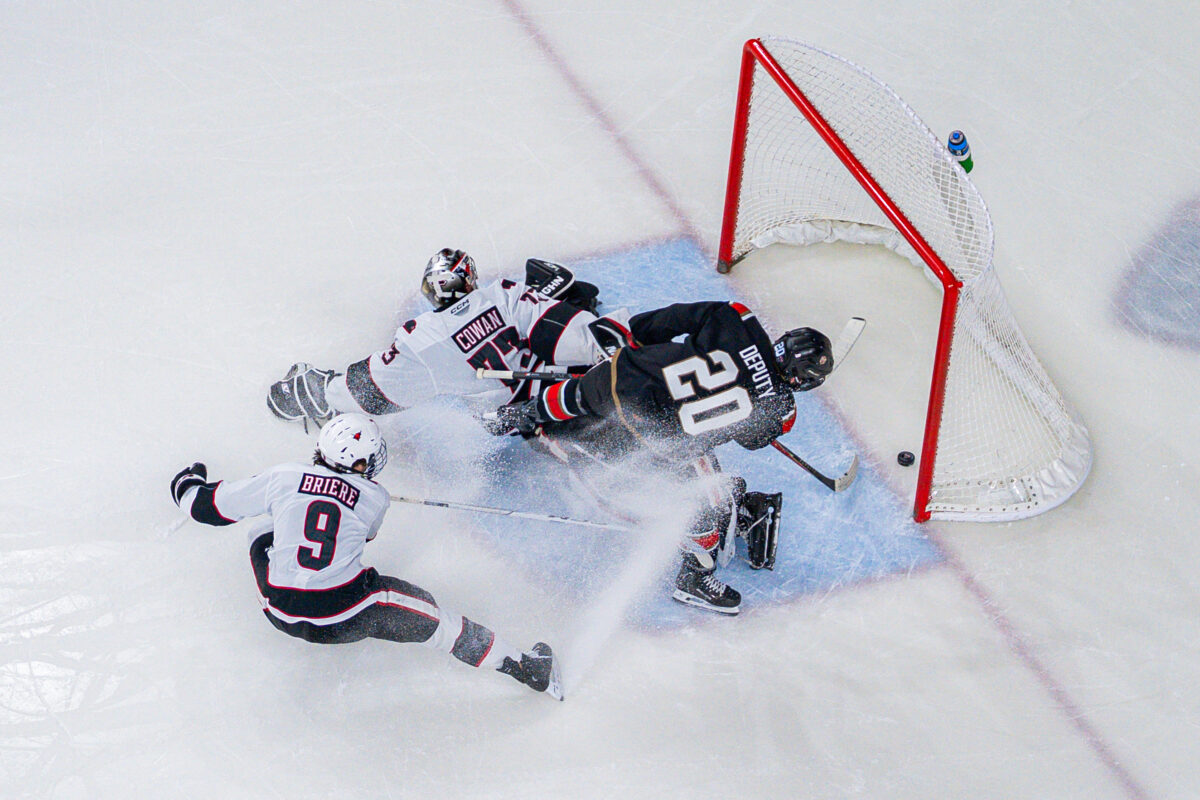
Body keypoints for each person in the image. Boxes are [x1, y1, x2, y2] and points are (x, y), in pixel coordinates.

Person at [169, 412, 563, 700]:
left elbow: (207, 509)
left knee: (260, 529)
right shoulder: (374, 497)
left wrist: (188, 484)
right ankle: (527, 668)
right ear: (360, 464)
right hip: (343, 614)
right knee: (440, 623)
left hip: (278, 610)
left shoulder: (283, 476)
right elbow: (363, 533)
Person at [492, 300, 833, 616]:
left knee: (582, 394)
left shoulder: (738, 318)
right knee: (702, 501)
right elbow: (754, 440)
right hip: (654, 437)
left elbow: (672, 319)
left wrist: (637, 335)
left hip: (630, 376)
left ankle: (525, 414)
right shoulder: (780, 411)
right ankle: (694, 578)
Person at [266, 249, 630, 430]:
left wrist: (323, 390)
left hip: (510, 418)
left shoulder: (423, 339)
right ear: (469, 279)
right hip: (566, 389)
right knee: (581, 304)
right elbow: (569, 320)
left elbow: (377, 389)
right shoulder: (501, 295)